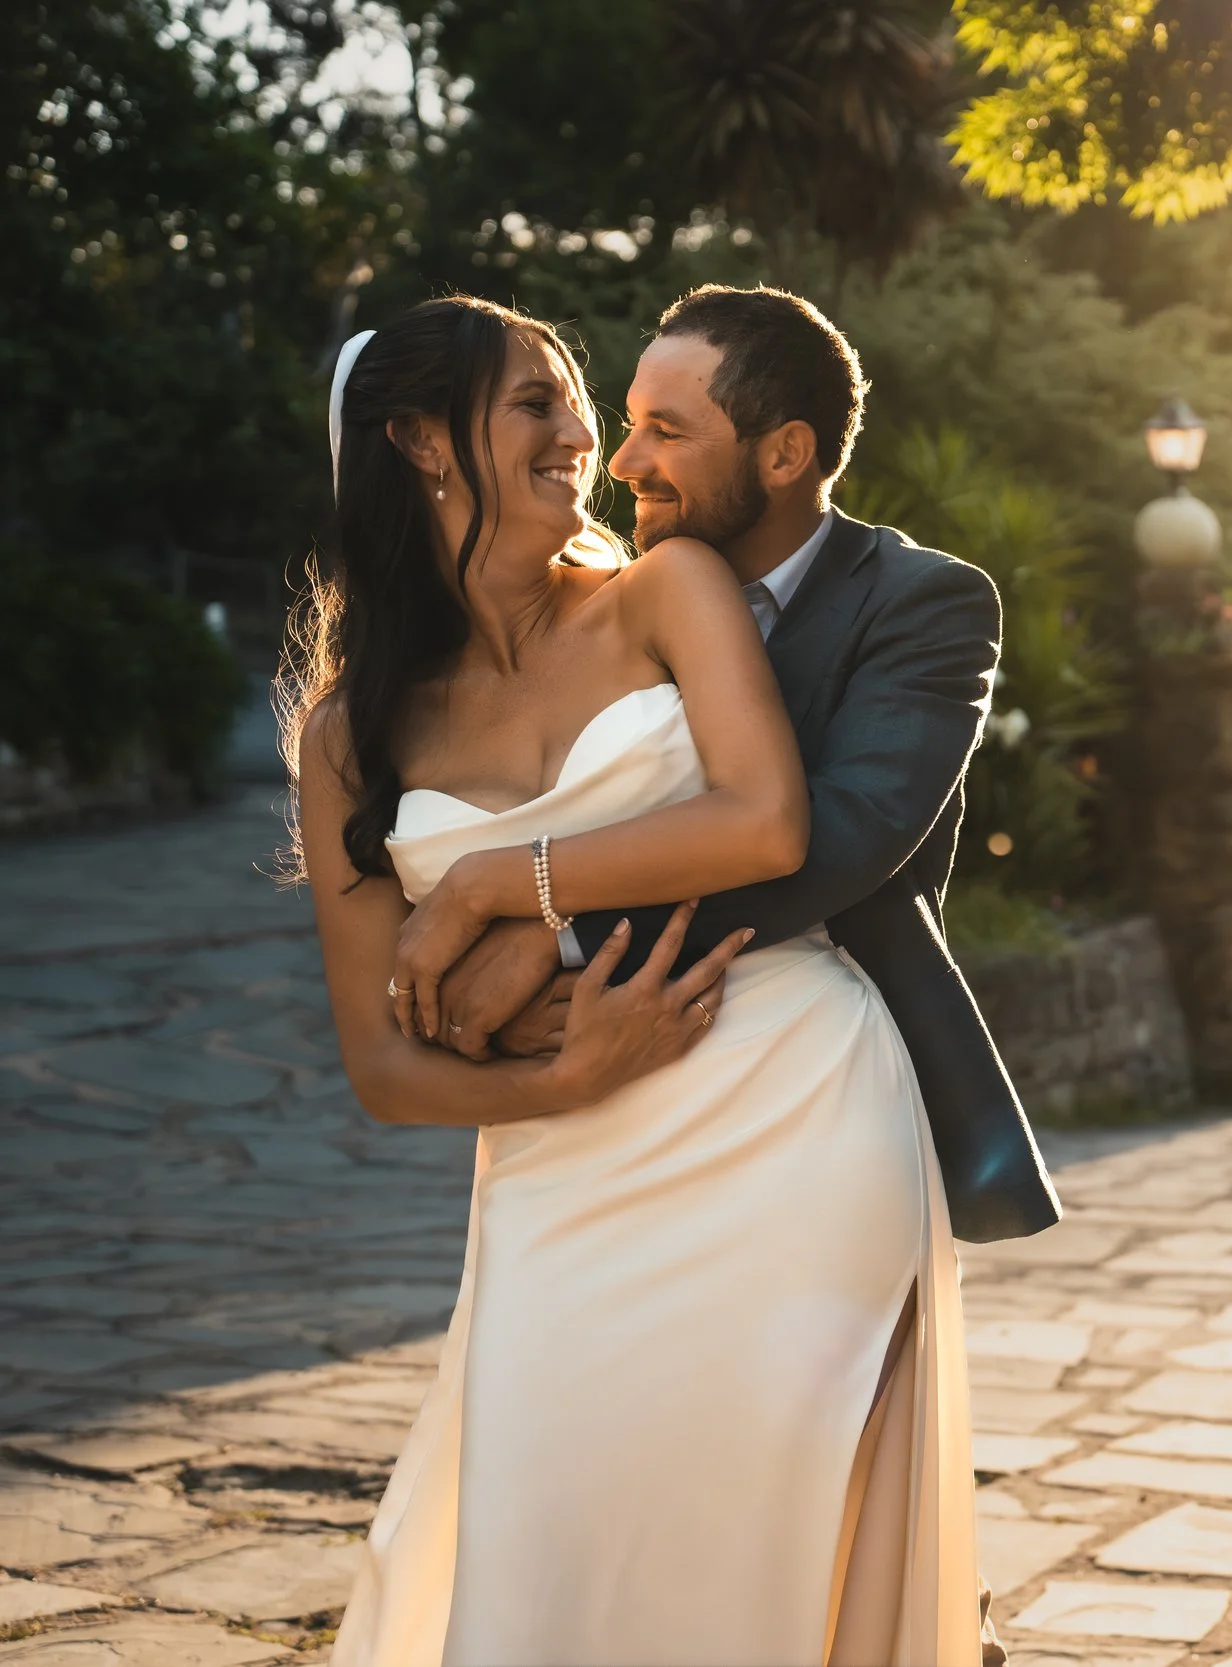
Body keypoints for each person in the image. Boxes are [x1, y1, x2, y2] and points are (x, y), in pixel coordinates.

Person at [291, 294, 990, 1665]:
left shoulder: (670, 592)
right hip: (558, 1163)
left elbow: (774, 826)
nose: (587, 441)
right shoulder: (344, 737)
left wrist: (503, 886)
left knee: (766, 1546)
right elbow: (382, 1065)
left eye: (596, 406)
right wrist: (563, 1074)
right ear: (423, 445)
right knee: (550, 1547)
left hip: (790, 1101)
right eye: (538, 404)